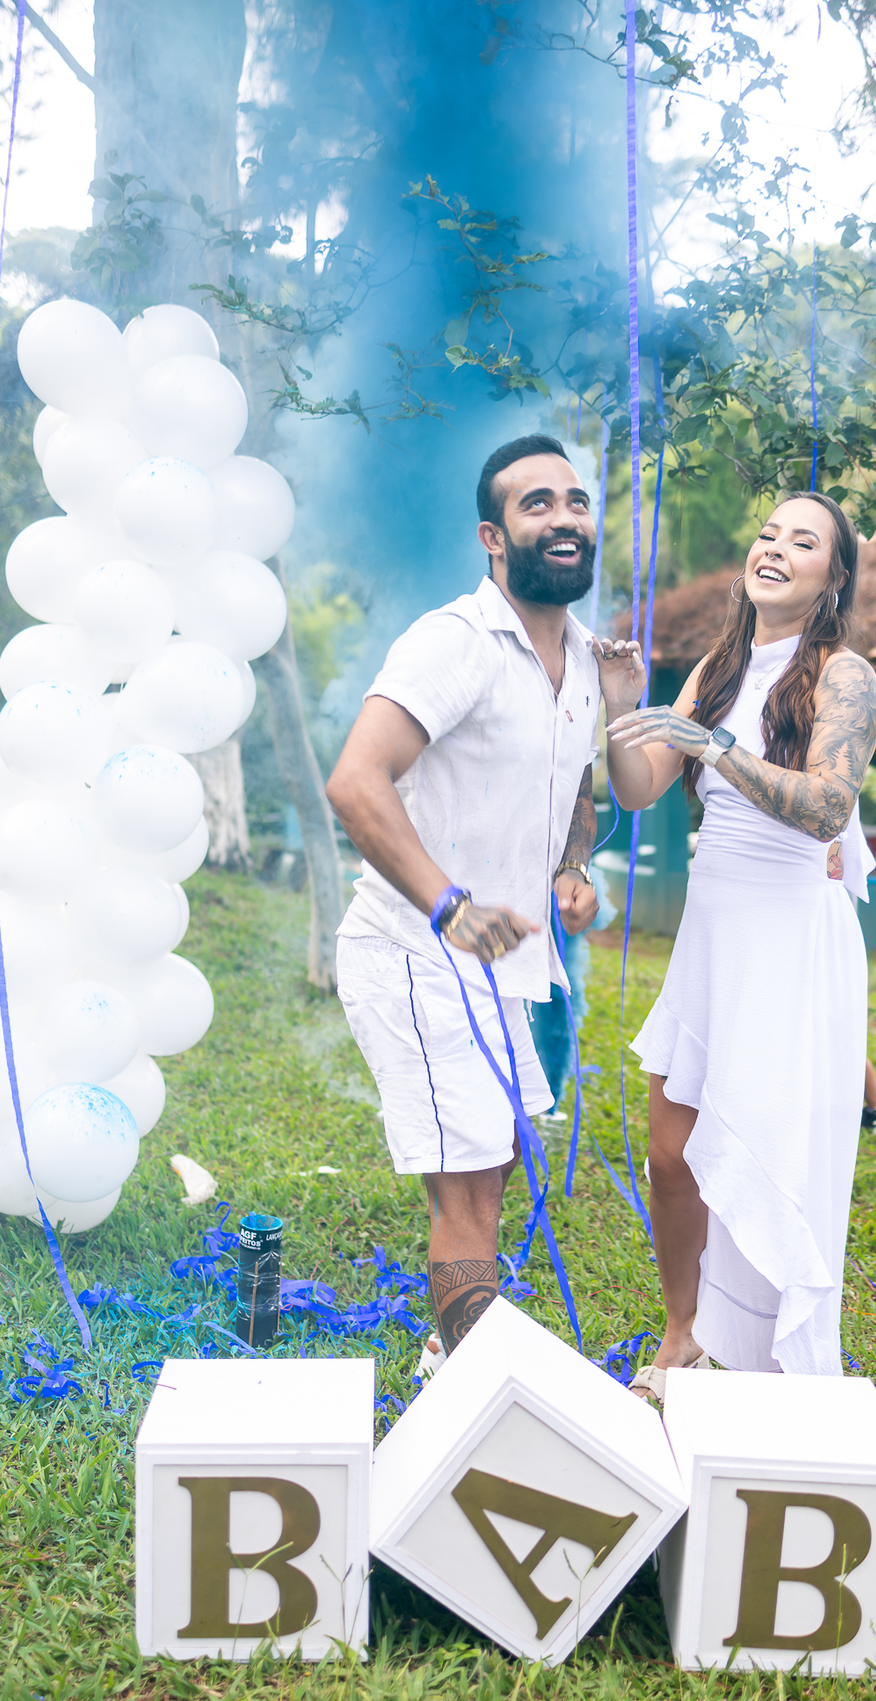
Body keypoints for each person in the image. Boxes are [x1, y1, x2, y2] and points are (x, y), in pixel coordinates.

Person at [597, 490, 876, 1394]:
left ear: (833, 576)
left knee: (767, 1151)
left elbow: (827, 808)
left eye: (803, 542)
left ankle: (769, 1357)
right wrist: (620, 708)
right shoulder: (718, 668)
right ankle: (683, 1333)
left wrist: (715, 744)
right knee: (670, 1156)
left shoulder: (845, 675)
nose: (776, 548)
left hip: (789, 940)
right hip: (712, 939)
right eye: (767, 533)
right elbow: (640, 787)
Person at [326, 434, 601, 1368]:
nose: (564, 516)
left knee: (497, 1161)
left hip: (500, 964)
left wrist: (572, 865)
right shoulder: (455, 642)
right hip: (415, 949)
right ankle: (471, 1392)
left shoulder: (585, 659)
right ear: (494, 536)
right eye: (537, 503)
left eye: (576, 500)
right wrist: (450, 905)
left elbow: (576, 778)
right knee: (472, 1188)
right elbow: (356, 781)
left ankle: (454, 1362)